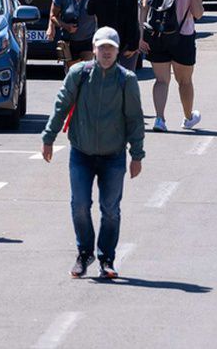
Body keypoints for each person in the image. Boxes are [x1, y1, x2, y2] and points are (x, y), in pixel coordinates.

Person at [41, 26, 145, 279]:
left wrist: (137, 155)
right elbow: (61, 104)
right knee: (79, 205)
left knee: (110, 209)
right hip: (82, 153)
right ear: (95, 49)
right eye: (102, 47)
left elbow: (134, 119)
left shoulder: (126, 80)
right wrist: (49, 137)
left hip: (114, 155)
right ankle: (84, 253)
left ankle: (106, 258)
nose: (106, 52)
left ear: (118, 51)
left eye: (111, 47)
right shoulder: (79, 73)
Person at [139, 0, 204, 132]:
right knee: (184, 81)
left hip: (157, 36)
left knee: (161, 80)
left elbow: (144, 6)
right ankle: (188, 117)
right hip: (182, 38)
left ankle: (159, 119)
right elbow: (198, 14)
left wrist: (142, 34)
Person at [51, 0, 97, 72]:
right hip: (69, 41)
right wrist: (65, 26)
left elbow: (99, 17)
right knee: (73, 74)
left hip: (88, 41)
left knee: (86, 72)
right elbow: (53, 16)